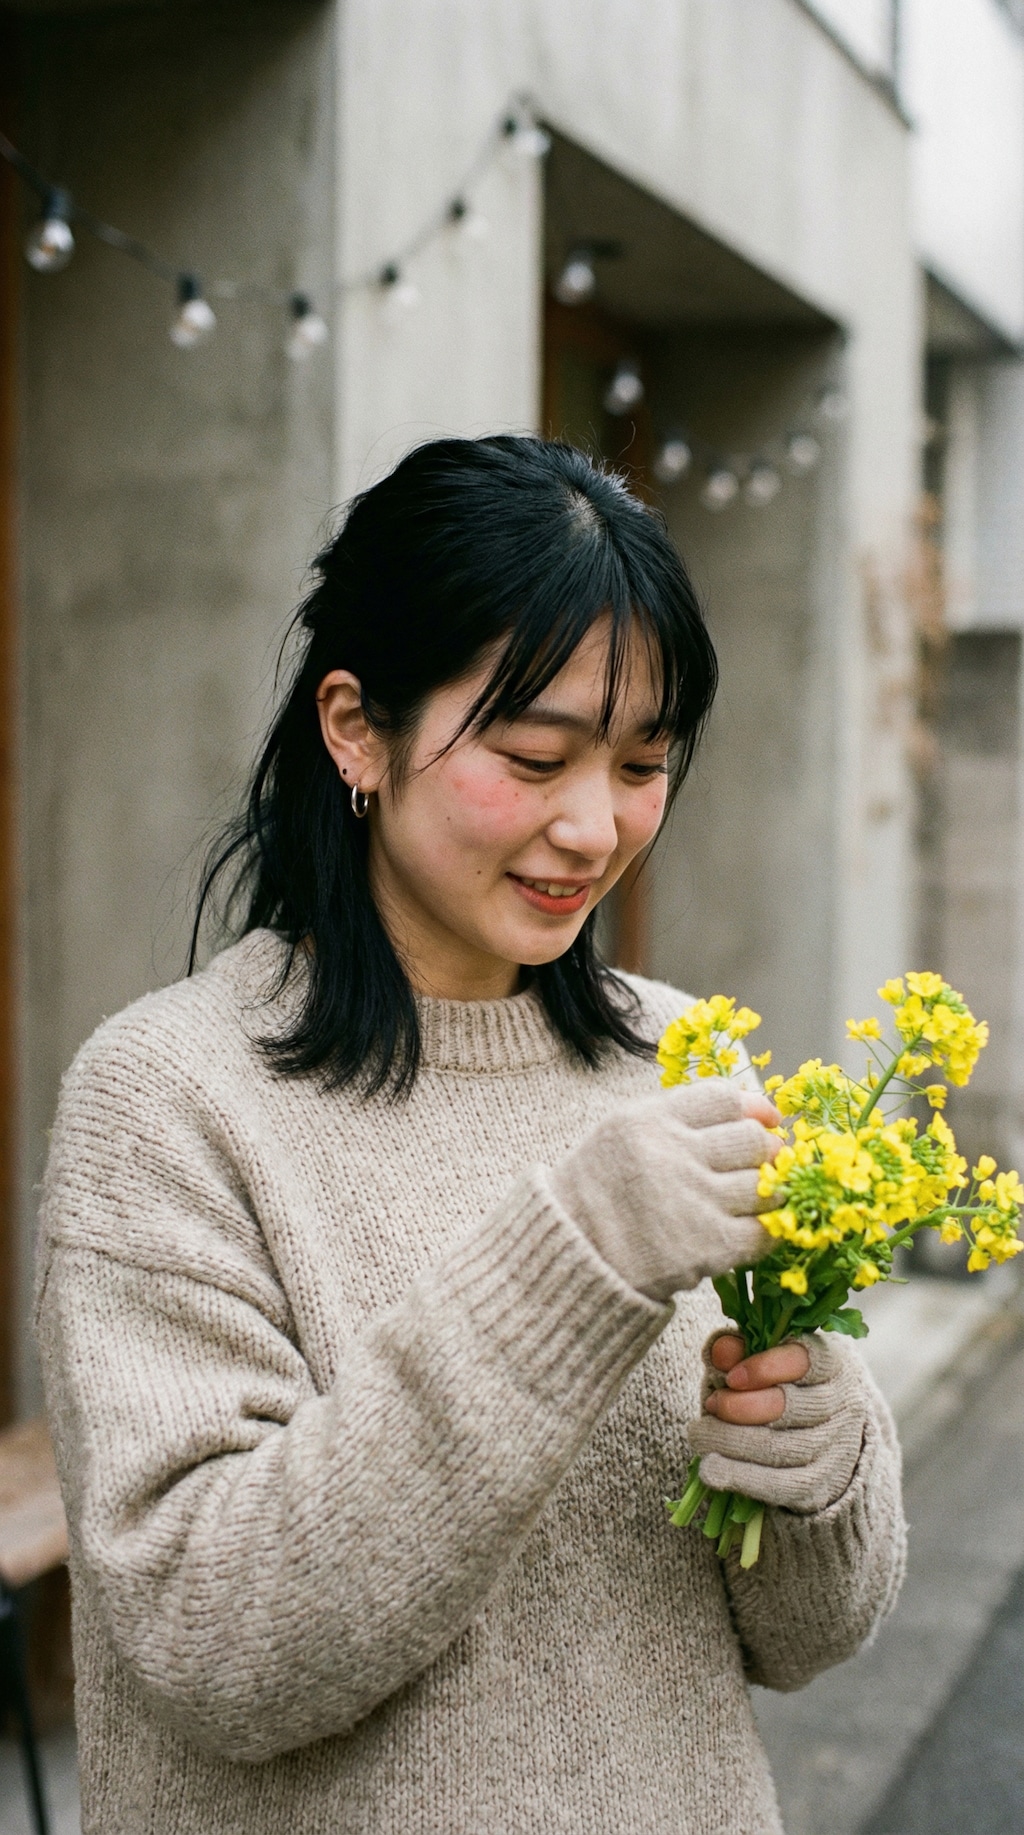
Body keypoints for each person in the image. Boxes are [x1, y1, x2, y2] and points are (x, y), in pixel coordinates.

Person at [36, 437, 905, 1835]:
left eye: (640, 763)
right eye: (535, 755)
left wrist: (818, 1458)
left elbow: (808, 1636)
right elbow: (217, 1644)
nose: (593, 825)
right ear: (354, 729)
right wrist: (580, 1257)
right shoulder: (170, 1098)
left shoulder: (685, 1060)